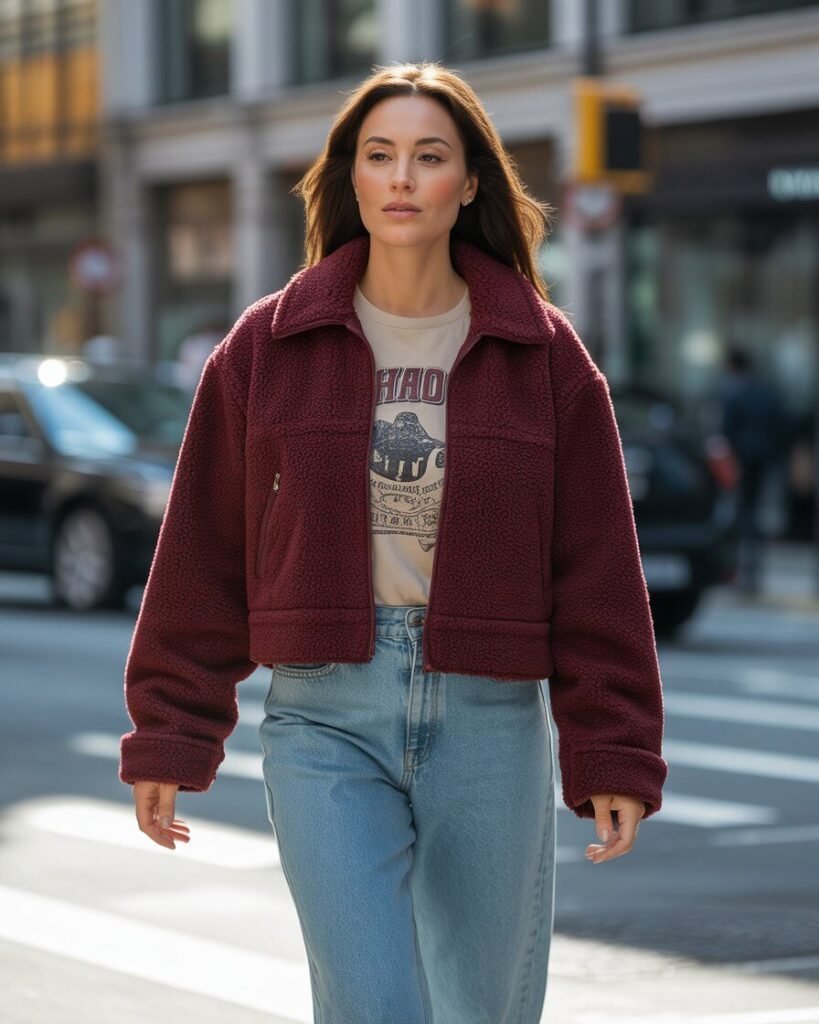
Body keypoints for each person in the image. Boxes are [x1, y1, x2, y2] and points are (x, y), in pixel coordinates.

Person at [119, 62, 668, 1023]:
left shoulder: (541, 354)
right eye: (380, 157)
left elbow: (597, 569)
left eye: (428, 156)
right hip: (326, 714)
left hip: (491, 722)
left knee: (480, 1008)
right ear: (352, 180)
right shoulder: (268, 346)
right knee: (373, 1003)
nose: (403, 178)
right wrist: (173, 726)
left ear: (469, 185)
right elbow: (202, 553)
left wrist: (611, 747)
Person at [720, 344, 788, 594]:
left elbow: (726, 430)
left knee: (742, 513)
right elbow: (781, 425)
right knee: (755, 511)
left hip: (741, 460)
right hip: (764, 458)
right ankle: (754, 569)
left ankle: (743, 569)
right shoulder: (767, 392)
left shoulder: (734, 393)